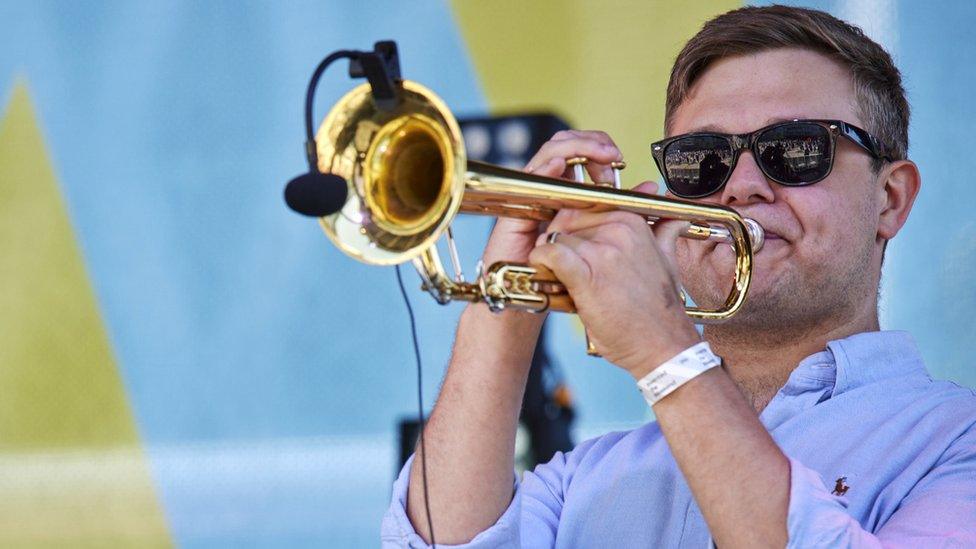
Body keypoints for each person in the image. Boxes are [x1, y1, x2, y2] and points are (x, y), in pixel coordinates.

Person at [381, 5, 976, 548]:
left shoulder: (955, 444)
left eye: (795, 150)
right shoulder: (585, 478)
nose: (741, 186)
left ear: (891, 199)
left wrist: (662, 344)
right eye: (702, 159)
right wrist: (504, 298)